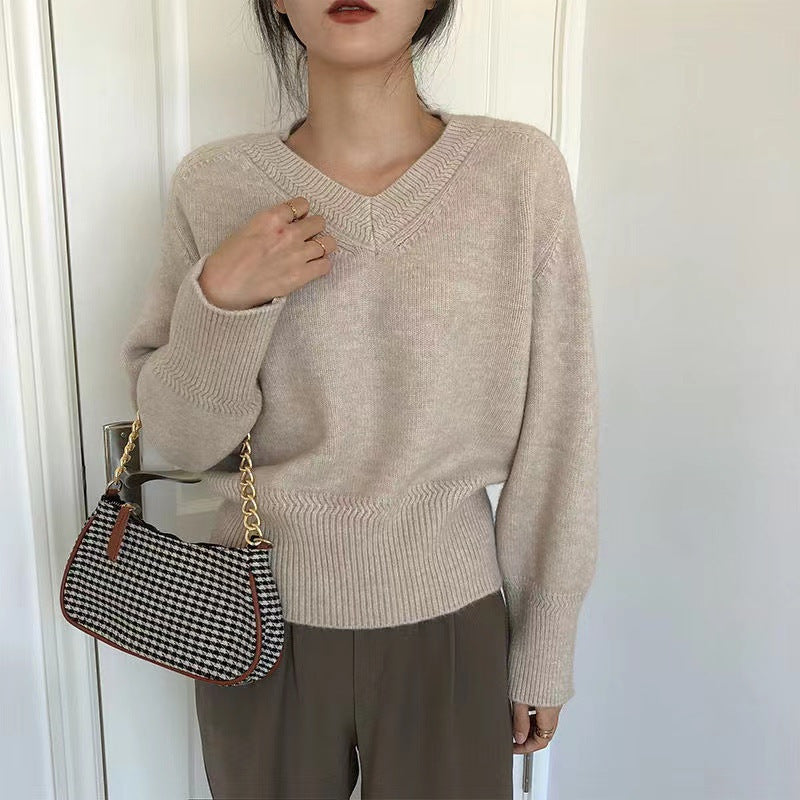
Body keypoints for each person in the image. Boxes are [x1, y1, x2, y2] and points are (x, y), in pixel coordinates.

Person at [119, 0, 599, 797]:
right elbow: (181, 445)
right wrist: (223, 300)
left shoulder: (516, 172)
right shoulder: (214, 184)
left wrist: (544, 640)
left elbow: (561, 425)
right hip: (252, 618)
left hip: (452, 624)